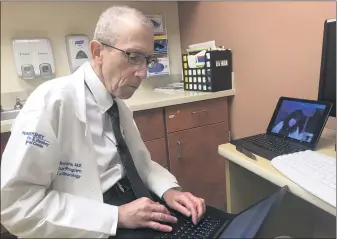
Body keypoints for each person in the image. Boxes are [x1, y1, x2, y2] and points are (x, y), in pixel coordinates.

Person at [1, 6, 206, 238]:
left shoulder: (116, 105)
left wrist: (168, 190)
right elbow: (16, 205)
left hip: (131, 205)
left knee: (209, 226)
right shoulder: (50, 104)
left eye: (148, 59)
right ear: (97, 52)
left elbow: (141, 164)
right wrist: (115, 216)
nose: (143, 72)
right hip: (86, 223)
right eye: (133, 56)